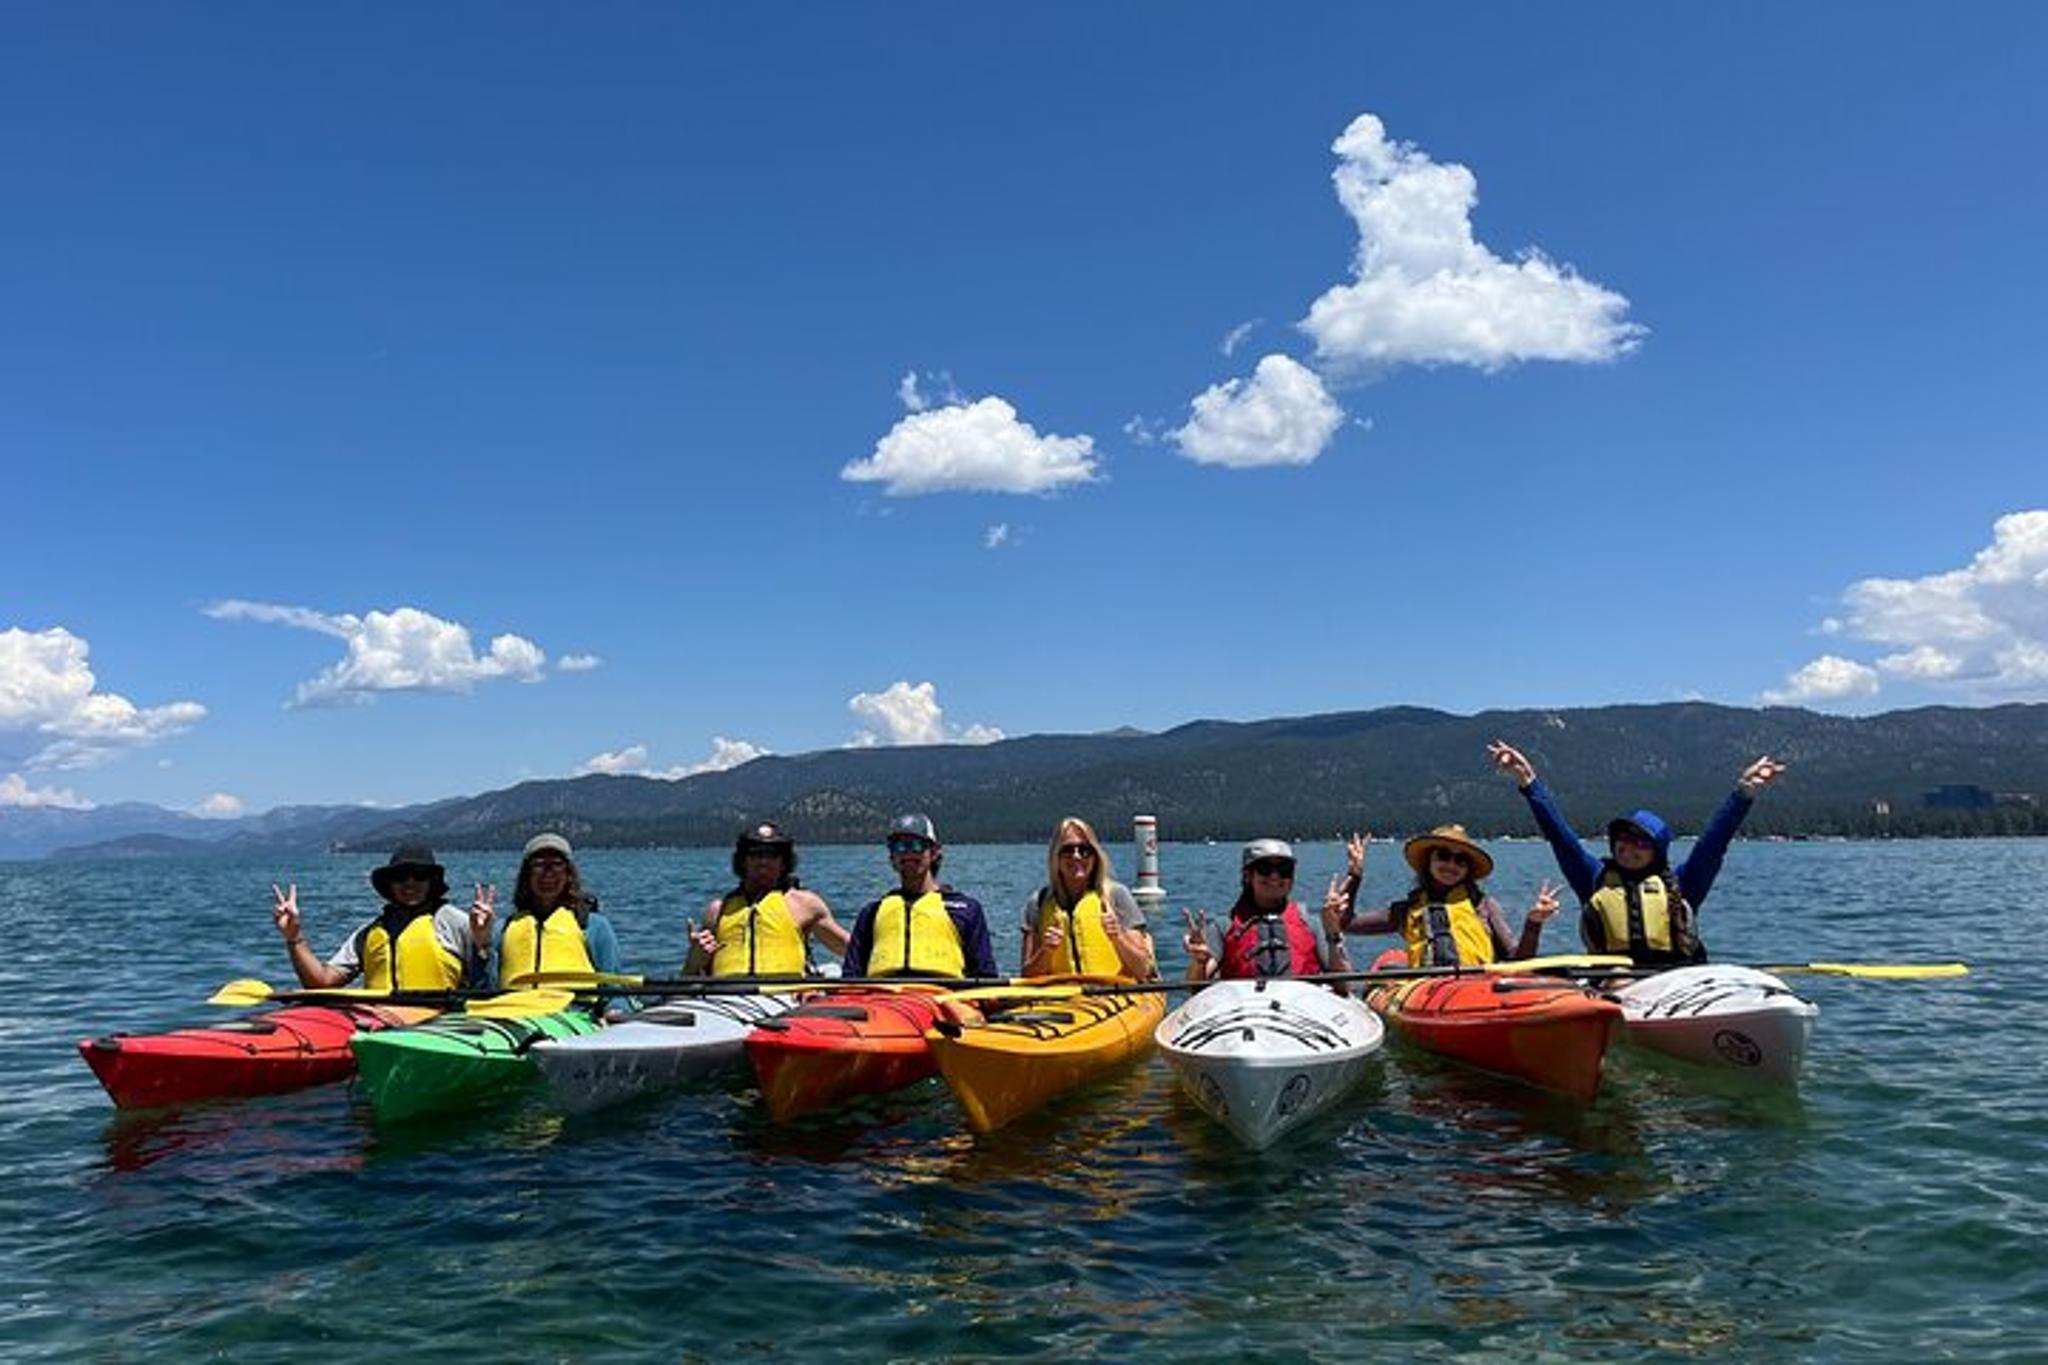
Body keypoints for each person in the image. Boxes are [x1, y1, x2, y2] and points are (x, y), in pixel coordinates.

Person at [1488, 740, 1788, 966]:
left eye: (1642, 842)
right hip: (1615, 981)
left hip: (1678, 981)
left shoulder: (1684, 883)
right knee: (1617, 980)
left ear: (1657, 851)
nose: (1629, 847)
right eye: (1623, 839)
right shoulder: (1593, 877)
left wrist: (1744, 792)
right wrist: (1527, 780)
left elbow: (1714, 842)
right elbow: (1560, 837)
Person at [271, 843, 489, 991]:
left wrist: (483, 942)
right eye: (400, 876)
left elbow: (487, 985)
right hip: (380, 1027)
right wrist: (294, 937)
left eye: (420, 875)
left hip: (442, 1029)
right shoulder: (369, 934)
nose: (409, 883)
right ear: (390, 883)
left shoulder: (458, 923)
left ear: (432, 882)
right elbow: (322, 983)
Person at [1330, 827, 1559, 967]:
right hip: (1427, 992)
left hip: (1479, 989)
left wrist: (1533, 923)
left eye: (1461, 861)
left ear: (1468, 869)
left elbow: (1517, 960)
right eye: (1444, 856)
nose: (1451, 865)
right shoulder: (1405, 910)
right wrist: (1355, 875)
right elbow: (1346, 924)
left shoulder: (1483, 906)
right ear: (1429, 861)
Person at [487, 833, 631, 1019]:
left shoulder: (593, 926)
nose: (548, 873)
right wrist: (481, 946)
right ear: (527, 874)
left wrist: (615, 1013)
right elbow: (485, 989)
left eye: (556, 864)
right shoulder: (503, 928)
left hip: (573, 1014)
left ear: (568, 874)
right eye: (539, 864)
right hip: (512, 1015)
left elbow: (614, 989)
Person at [841, 813, 999, 979]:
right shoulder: (871, 913)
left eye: (916, 846)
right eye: (900, 847)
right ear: (892, 857)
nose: (908, 854)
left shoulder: (966, 909)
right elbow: (851, 975)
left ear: (934, 853)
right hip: (882, 998)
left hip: (941, 997)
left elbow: (985, 975)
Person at [1182, 838, 1351, 989]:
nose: (1275, 876)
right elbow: (1195, 988)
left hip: (1301, 1010)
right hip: (1243, 1011)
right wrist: (1199, 962)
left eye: (1284, 869)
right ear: (1248, 876)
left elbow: (1344, 986)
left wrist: (1333, 932)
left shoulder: (1313, 924)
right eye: (1265, 869)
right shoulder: (1225, 926)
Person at [685, 821, 849, 977]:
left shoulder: (805, 904)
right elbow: (691, 976)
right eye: (756, 854)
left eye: (772, 855)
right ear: (743, 861)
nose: (763, 861)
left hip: (784, 996)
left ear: (784, 862)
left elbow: (850, 950)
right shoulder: (718, 910)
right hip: (724, 999)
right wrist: (693, 961)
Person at [1019, 817, 1157, 980]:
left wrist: (1118, 937)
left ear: (1095, 856)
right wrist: (1046, 951)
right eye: (1067, 850)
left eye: (1084, 850)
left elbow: (1144, 970)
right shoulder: (1038, 903)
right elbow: (1027, 976)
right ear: (1055, 856)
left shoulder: (1116, 895)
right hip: (1062, 1000)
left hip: (1113, 996)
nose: (1076, 856)